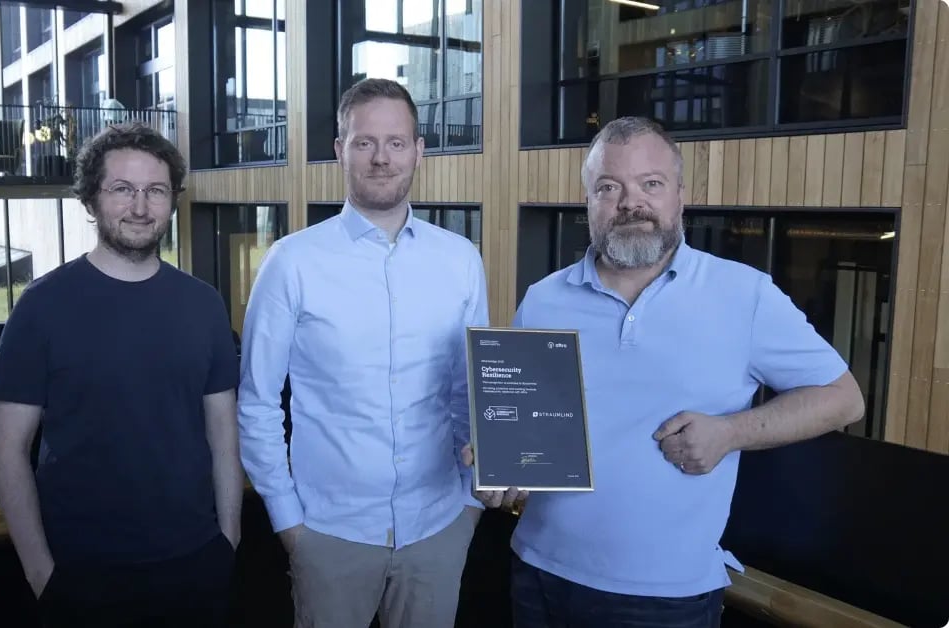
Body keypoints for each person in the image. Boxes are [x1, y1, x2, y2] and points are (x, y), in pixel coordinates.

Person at [473, 116, 865, 627]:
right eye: (609, 187)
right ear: (588, 203)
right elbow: (525, 429)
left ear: (680, 195)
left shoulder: (744, 294)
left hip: (667, 597)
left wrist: (731, 432)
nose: (630, 203)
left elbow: (844, 398)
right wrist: (498, 460)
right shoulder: (544, 299)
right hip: (538, 571)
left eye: (650, 184)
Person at [237, 77, 489, 628]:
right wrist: (290, 526)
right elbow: (257, 404)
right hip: (329, 535)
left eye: (396, 142)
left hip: (439, 528)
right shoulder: (291, 262)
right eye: (364, 142)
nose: (381, 158)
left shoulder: (461, 259)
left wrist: (470, 508)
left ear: (420, 150)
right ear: (340, 151)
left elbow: (471, 391)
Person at [0, 121, 242, 628]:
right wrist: (42, 573)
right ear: (90, 200)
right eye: (122, 189)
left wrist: (228, 541)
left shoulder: (204, 304)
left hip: (194, 561)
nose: (141, 206)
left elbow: (223, 435)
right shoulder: (41, 307)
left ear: (172, 201)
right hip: (83, 572)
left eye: (156, 191)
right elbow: (7, 449)